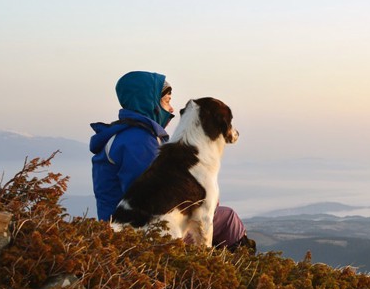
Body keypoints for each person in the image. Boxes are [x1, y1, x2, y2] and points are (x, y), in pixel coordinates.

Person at [89, 71, 254, 251]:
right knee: (228, 220)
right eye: (167, 101)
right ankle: (231, 272)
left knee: (219, 215)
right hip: (139, 235)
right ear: (149, 102)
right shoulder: (139, 141)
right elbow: (152, 195)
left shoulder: (130, 135)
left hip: (122, 229)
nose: (172, 109)